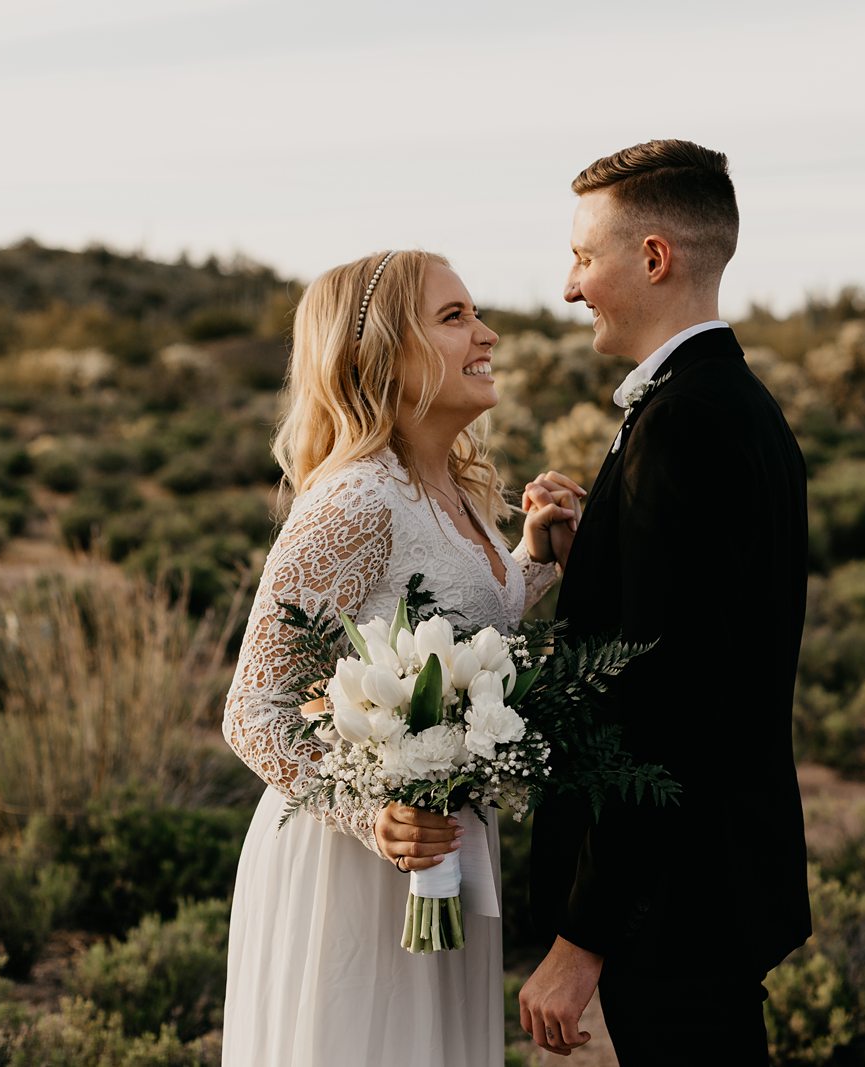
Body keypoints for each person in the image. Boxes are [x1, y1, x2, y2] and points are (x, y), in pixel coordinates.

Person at [220, 248, 577, 1066]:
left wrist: (535, 558)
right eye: (455, 318)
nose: (486, 333)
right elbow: (251, 709)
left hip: (439, 850)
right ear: (383, 353)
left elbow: (453, 632)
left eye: (475, 313)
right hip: (356, 870)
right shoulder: (354, 500)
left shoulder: (445, 486)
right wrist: (372, 817)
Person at [517, 140, 812, 1065]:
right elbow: (689, 627)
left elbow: (670, 708)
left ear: (653, 257)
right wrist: (590, 560)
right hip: (710, 880)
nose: (569, 287)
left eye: (583, 256)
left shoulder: (686, 425)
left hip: (680, 900)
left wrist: (582, 937)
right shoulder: (729, 404)